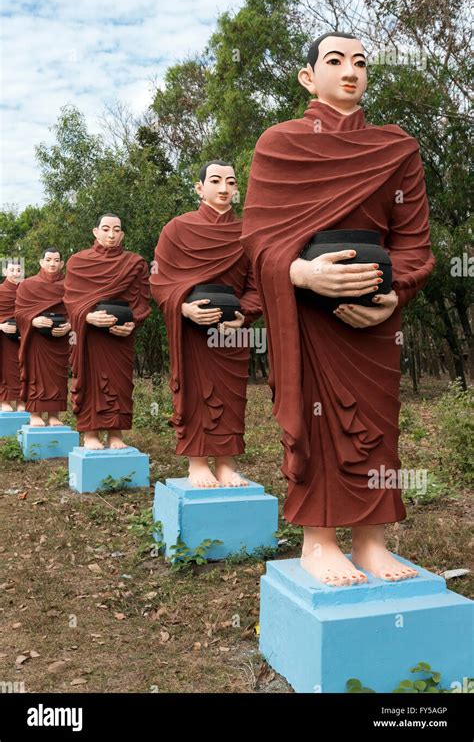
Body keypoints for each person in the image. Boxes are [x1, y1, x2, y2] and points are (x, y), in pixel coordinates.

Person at [240, 32, 436, 585]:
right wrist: (301, 272)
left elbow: (415, 246)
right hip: (306, 312)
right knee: (317, 422)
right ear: (308, 76)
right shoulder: (279, 144)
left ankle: (373, 542)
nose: (349, 70)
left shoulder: (397, 147)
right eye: (334, 60)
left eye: (360, 62)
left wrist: (396, 295)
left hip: (372, 314)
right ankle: (319, 540)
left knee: (376, 427)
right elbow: (256, 241)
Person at [150, 161, 261, 487]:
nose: (224, 188)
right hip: (192, 332)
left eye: (230, 182)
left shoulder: (247, 234)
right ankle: (197, 462)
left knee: (231, 396)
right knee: (196, 394)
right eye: (215, 181)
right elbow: (159, 281)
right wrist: (183, 307)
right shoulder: (177, 229)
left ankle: (226, 464)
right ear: (199, 188)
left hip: (231, 331)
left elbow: (256, 287)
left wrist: (246, 314)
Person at [64, 214, 151, 449]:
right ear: (95, 231)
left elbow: (143, 301)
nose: (111, 235)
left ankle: (116, 433)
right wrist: (88, 316)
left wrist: (134, 322)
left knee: (119, 384)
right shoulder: (77, 262)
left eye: (116, 230)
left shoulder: (135, 264)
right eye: (106, 229)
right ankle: (90, 433)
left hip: (120, 335)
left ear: (122, 234)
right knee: (89, 381)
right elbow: (71, 301)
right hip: (89, 336)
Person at [15, 249, 71, 426]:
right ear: (41, 262)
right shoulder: (28, 285)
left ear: (62, 263)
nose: (52, 263)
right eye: (48, 260)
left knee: (58, 377)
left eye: (56, 260)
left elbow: (76, 309)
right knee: (36, 376)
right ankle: (35, 414)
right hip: (37, 340)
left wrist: (70, 325)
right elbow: (19, 312)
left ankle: (54, 415)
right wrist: (33, 320)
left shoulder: (70, 285)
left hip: (59, 338)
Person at [0, 260, 25, 412]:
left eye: (18, 270)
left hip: (24, 336)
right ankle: (5, 400)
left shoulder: (27, 291)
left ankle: (22, 399)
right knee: (5, 367)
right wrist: (1, 326)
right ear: (4, 271)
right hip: (3, 339)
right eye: (12, 270)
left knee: (24, 367)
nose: (16, 273)